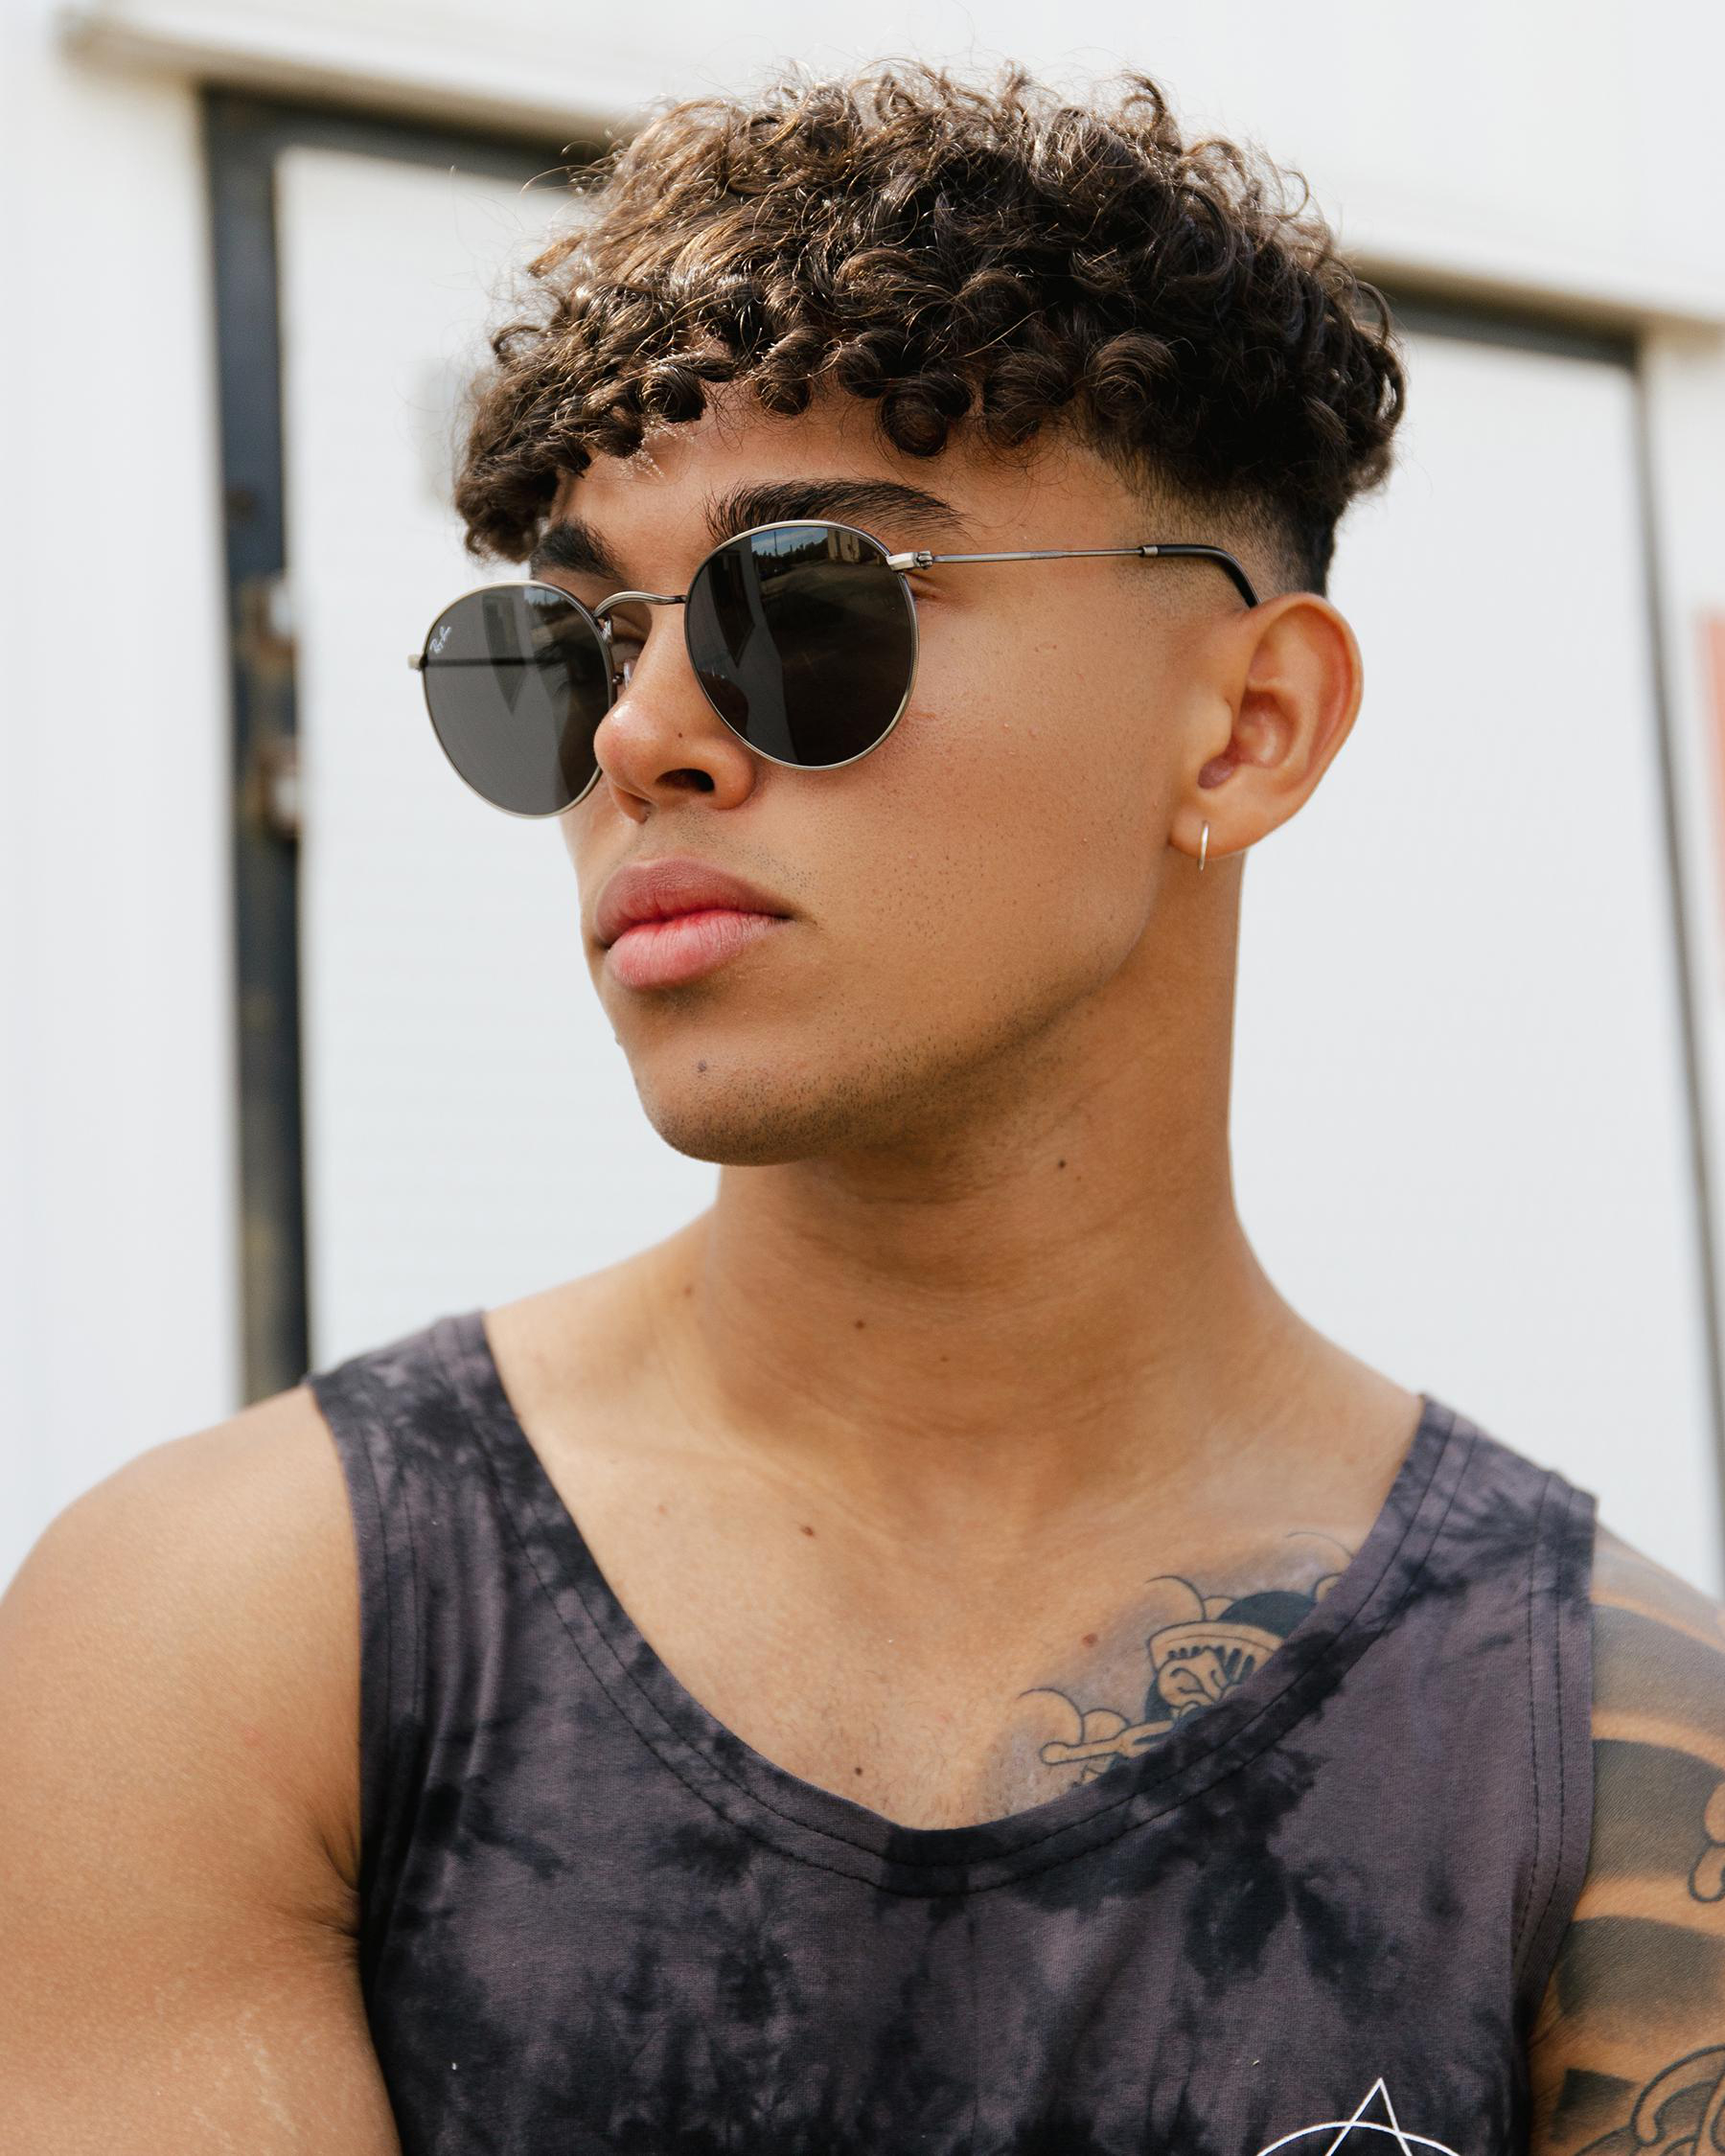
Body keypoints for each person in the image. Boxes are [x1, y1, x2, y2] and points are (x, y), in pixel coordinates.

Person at [3, 57, 1722, 2156]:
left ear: (1248, 724)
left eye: (804, 607)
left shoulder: (1613, 1752)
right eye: (565, 650)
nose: (638, 737)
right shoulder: (230, 1630)